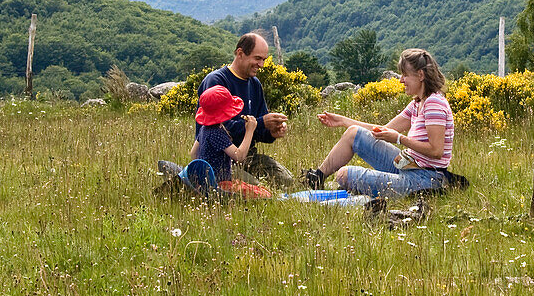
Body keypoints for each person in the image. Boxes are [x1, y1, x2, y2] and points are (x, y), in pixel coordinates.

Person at [305, 48, 454, 197]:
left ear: (420, 75)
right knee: (353, 133)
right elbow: (383, 130)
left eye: (405, 75)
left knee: (343, 175)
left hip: (425, 178)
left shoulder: (434, 103)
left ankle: (368, 189)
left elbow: (436, 151)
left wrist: (399, 139)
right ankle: (317, 178)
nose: (401, 80)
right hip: (407, 165)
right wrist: (344, 121)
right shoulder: (418, 102)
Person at [192, 32, 293, 187]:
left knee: (286, 181)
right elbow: (221, 128)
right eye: (257, 58)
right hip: (220, 159)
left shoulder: (255, 84)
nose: (261, 65)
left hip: (248, 156)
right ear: (240, 53)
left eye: (264, 60)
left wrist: (272, 132)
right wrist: (260, 123)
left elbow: (258, 131)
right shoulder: (217, 81)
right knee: (259, 188)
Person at [192, 85, 276, 199]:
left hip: (209, 182)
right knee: (264, 194)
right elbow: (239, 156)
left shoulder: (204, 129)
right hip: (221, 184)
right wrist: (250, 130)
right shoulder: (216, 132)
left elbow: (193, 154)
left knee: (255, 188)